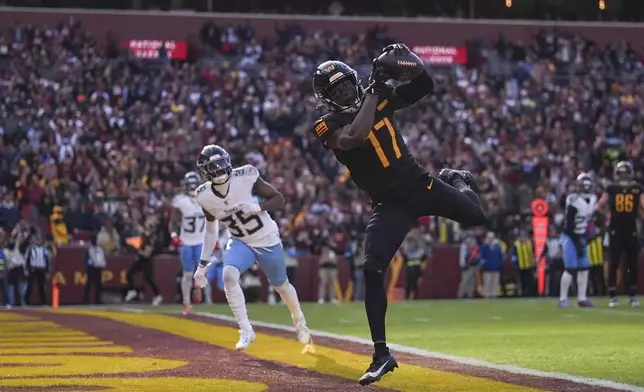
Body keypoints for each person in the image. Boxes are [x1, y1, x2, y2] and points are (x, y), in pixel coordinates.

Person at [311, 43, 486, 385]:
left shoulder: (378, 97)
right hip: (388, 204)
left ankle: (456, 180)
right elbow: (356, 135)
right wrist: (376, 91)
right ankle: (381, 354)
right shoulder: (326, 124)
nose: (347, 92)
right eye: (339, 90)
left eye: (349, 84)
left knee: (476, 217)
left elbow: (424, 87)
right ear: (327, 98)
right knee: (372, 268)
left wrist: (412, 63)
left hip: (419, 185)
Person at [191, 145, 311, 351]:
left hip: (266, 238)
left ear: (228, 162)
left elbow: (279, 199)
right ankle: (246, 329)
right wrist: (202, 266)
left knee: (281, 286)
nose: (219, 170)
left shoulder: (245, 176)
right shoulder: (204, 196)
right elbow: (210, 231)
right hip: (240, 241)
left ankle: (299, 321)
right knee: (228, 275)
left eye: (221, 164)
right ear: (205, 172)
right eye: (213, 167)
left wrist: (259, 207)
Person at [594, 161, 644, 307]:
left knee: (629, 263)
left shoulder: (618, 188)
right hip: (622, 229)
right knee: (616, 263)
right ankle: (618, 295)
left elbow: (598, 206)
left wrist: (603, 214)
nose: (622, 175)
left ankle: (626, 295)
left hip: (625, 229)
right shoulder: (630, 188)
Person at [170, 171, 207, 315]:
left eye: (194, 185)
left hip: (201, 240)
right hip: (186, 240)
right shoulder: (180, 201)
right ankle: (186, 302)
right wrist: (174, 235)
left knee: (201, 272)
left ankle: (197, 289)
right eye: (190, 185)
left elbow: (213, 220)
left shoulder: (206, 199)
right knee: (187, 273)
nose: (192, 188)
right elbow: (173, 222)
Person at [559, 173, 597, 308]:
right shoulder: (573, 199)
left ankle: (582, 298)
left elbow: (590, 220)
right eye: (584, 185)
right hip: (570, 237)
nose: (586, 188)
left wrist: (588, 235)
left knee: (584, 268)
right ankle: (563, 299)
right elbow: (568, 225)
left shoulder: (593, 199)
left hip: (581, 236)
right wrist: (577, 242)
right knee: (570, 268)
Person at [124, 227, 163, 306]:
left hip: (146, 262)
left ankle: (158, 295)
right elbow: (130, 242)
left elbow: (146, 255)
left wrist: (137, 250)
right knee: (128, 273)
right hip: (140, 260)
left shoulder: (150, 242)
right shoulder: (141, 241)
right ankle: (132, 290)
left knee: (149, 279)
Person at [25, 234, 51, 305]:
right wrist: (27, 269)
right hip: (33, 268)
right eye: (37, 240)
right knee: (30, 286)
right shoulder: (30, 249)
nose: (38, 241)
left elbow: (47, 260)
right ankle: (27, 302)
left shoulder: (44, 249)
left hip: (41, 269)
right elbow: (27, 259)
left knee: (41, 286)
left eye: (39, 240)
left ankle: (43, 302)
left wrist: (47, 271)